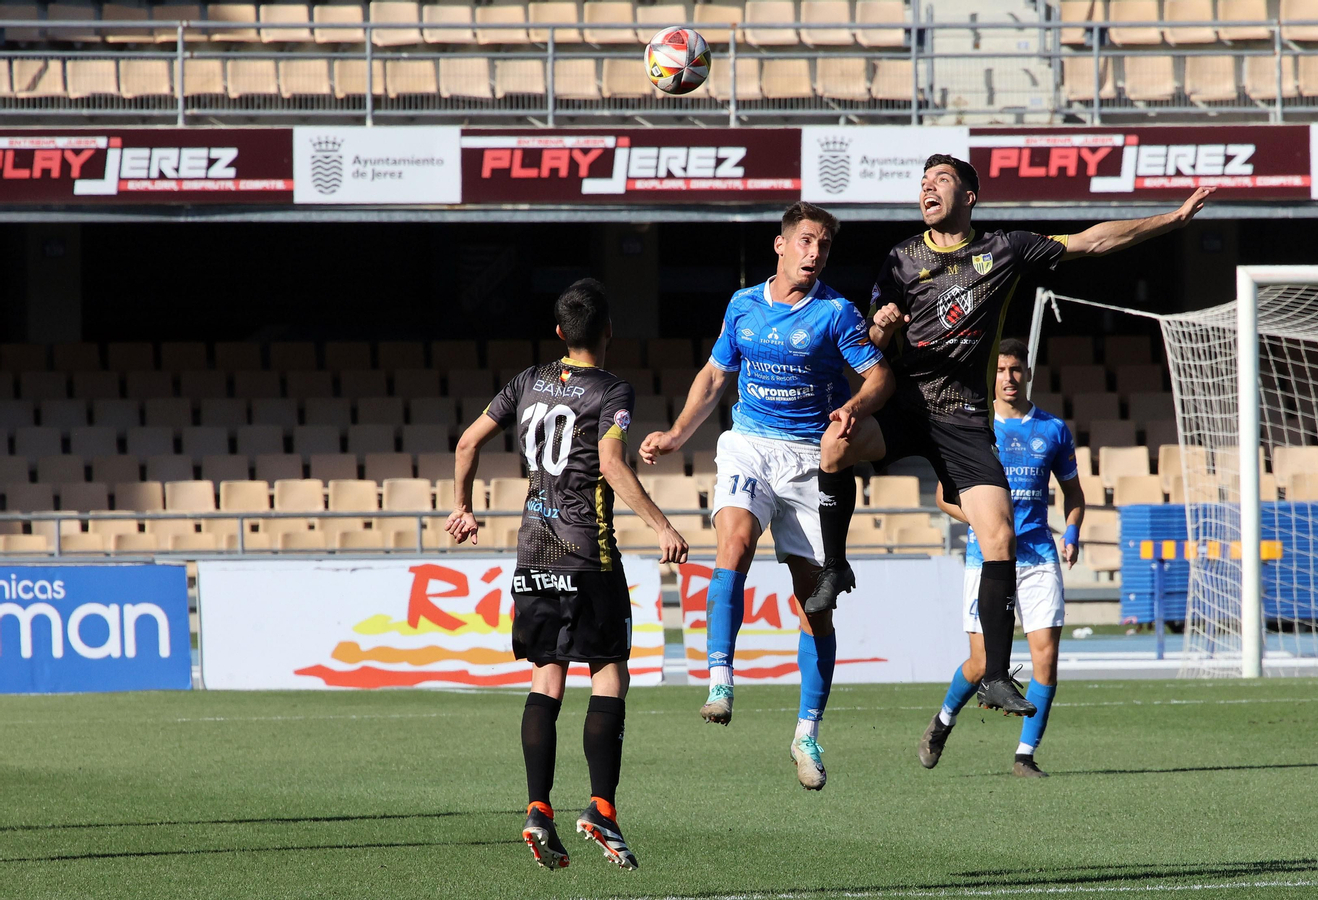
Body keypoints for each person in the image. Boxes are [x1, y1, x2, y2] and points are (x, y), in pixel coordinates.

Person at [811, 153, 1210, 717]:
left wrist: (1171, 219)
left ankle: (995, 675)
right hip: (905, 406)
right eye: (923, 182)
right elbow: (871, 344)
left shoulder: (1005, 249)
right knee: (834, 445)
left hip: (964, 419)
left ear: (969, 196)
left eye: (941, 180)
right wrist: (880, 325)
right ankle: (835, 566)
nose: (927, 188)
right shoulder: (901, 258)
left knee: (998, 537)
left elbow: (1092, 241)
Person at [639, 202, 891, 791]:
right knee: (734, 541)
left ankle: (807, 733)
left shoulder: (836, 312)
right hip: (749, 444)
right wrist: (676, 435)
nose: (814, 252)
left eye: (823, 245)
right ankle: (720, 680)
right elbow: (714, 376)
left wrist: (853, 407)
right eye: (805, 240)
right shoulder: (742, 305)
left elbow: (880, 376)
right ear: (780, 245)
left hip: (809, 460)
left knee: (815, 604)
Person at [447, 278, 690, 871]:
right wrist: (662, 524)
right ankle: (601, 809)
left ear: (559, 332)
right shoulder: (612, 389)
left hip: (533, 555)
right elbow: (611, 463)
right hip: (587, 557)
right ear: (608, 331)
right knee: (609, 673)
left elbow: (467, 442)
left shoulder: (526, 382)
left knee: (546, 677)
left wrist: (463, 506)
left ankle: (538, 809)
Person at [918, 339, 1084, 777]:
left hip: (1038, 556)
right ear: (991, 374)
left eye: (1016, 369)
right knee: (980, 663)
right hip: (988, 561)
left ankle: (1025, 756)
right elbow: (943, 497)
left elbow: (1074, 493)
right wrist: (982, 521)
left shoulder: (1052, 429)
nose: (1009, 378)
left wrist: (1071, 532)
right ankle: (943, 721)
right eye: (1001, 369)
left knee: (1046, 658)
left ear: (1027, 373)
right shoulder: (973, 427)